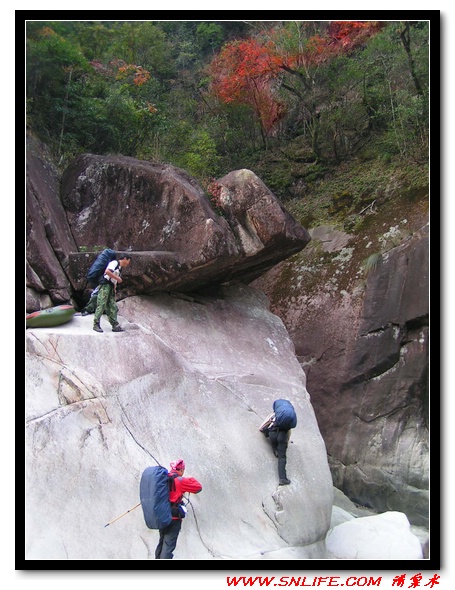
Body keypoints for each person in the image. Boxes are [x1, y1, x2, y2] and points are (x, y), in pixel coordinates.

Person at [155, 459, 202, 560]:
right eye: (183, 470)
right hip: (174, 518)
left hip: (162, 516)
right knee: (168, 546)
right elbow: (198, 488)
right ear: (181, 469)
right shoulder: (180, 480)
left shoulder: (163, 478)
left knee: (162, 542)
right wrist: (191, 478)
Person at [93, 254, 131, 333]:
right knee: (102, 304)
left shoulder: (120, 268)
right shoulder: (114, 263)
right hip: (105, 285)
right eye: (128, 261)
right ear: (124, 258)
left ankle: (115, 325)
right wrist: (118, 278)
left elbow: (114, 281)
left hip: (111, 286)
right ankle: (96, 324)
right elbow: (107, 272)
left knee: (112, 305)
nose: (128, 263)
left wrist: (114, 288)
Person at [261, 400, 296, 486]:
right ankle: (283, 479)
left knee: (273, 439)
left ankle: (275, 449)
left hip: (272, 434)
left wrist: (264, 431)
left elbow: (263, 426)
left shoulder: (276, 415)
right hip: (282, 436)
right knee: (282, 458)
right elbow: (292, 426)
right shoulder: (291, 417)